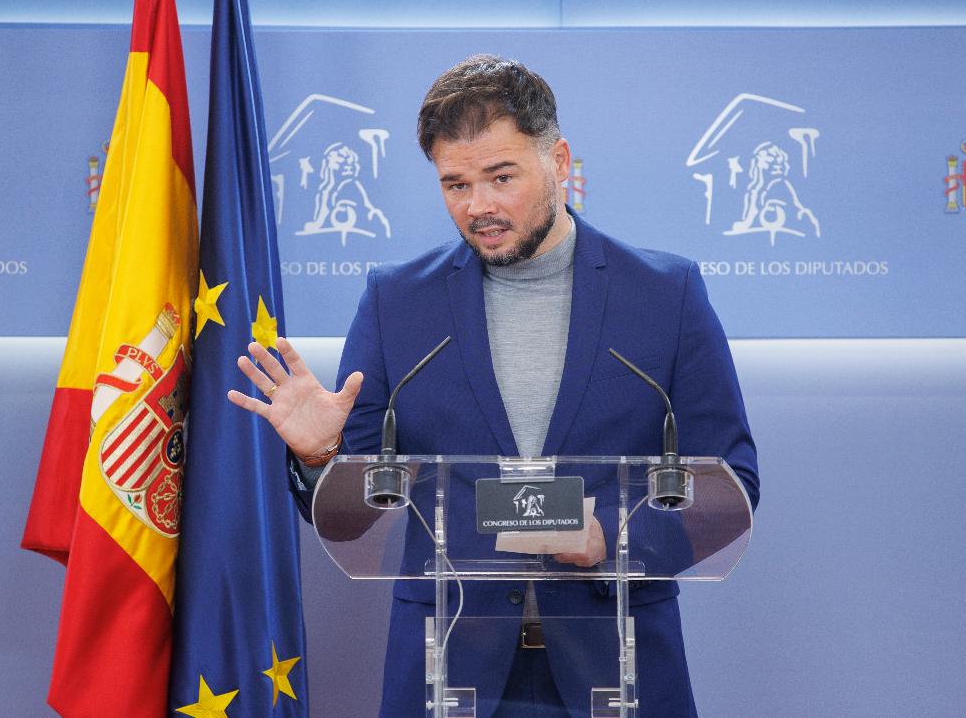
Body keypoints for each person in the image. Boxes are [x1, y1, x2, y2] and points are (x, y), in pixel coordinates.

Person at [229, 54, 759, 718]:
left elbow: (730, 482)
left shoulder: (665, 295)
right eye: (454, 184)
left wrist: (615, 540)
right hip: (447, 673)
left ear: (559, 160)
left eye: (500, 177)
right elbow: (360, 512)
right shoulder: (396, 302)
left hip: (620, 671)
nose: (477, 206)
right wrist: (318, 457)